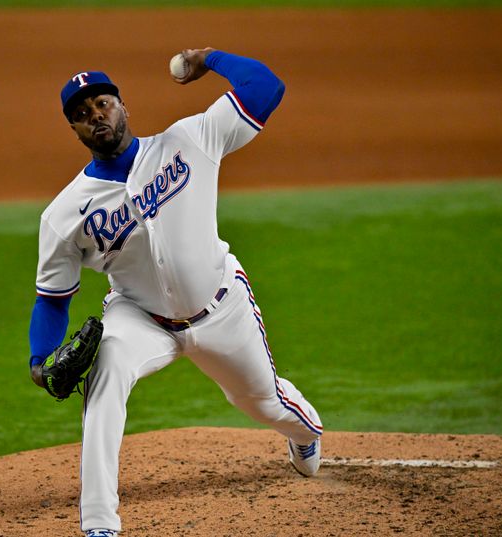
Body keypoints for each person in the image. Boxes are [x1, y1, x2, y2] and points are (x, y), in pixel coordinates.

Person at [28, 47, 323, 537]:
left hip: (221, 307)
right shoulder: (64, 215)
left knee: (263, 403)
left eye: (102, 104)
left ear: (123, 106)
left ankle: (305, 433)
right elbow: (52, 298)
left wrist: (209, 58)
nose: (95, 116)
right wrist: (40, 362)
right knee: (106, 374)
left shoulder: (189, 140)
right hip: (140, 318)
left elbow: (266, 87)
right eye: (81, 115)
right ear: (75, 131)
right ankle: (99, 523)